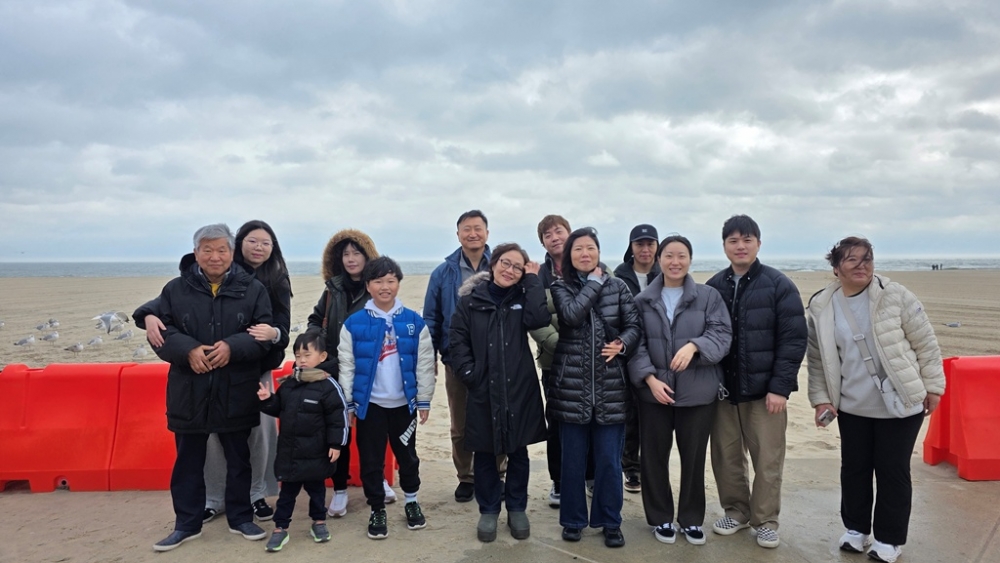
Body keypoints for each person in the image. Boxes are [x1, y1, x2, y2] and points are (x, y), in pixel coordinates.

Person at [139, 220, 291, 524]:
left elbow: (280, 330)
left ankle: (254, 496)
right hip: (202, 374)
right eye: (252, 241)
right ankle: (213, 499)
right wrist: (148, 315)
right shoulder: (189, 282)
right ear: (238, 245)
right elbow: (164, 308)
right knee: (209, 443)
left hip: (253, 369)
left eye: (266, 243)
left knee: (254, 439)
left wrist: (267, 336)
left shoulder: (271, 281)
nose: (258, 248)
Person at [806, 236, 944, 563]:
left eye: (866, 258)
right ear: (836, 267)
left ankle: (889, 540)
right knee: (854, 469)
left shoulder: (894, 295)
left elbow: (926, 343)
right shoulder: (822, 306)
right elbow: (817, 359)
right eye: (852, 259)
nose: (861, 265)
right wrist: (822, 399)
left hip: (900, 402)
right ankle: (856, 530)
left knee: (892, 471)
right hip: (852, 405)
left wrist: (934, 387)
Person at [705, 215, 808, 548]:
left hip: (766, 394)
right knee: (726, 456)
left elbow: (793, 340)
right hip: (723, 391)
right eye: (733, 240)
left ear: (758, 244)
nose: (740, 246)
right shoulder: (714, 286)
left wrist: (780, 387)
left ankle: (765, 520)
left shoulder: (779, 285)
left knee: (768, 458)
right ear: (724, 246)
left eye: (747, 239)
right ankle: (736, 511)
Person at [627, 235, 732, 546]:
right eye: (669, 255)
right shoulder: (642, 300)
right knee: (653, 458)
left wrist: (694, 346)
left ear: (690, 260)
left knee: (694, 459)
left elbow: (722, 334)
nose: (675, 262)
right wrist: (649, 379)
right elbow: (635, 344)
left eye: (682, 256)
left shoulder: (708, 296)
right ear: (659, 259)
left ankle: (691, 519)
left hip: (698, 394)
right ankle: (660, 517)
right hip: (654, 395)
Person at [449, 243, 550, 542]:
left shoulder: (523, 297)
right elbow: (457, 340)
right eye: (505, 263)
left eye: (518, 267)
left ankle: (517, 508)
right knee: (484, 451)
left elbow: (538, 319)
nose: (510, 270)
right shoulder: (470, 301)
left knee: (518, 450)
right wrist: (470, 374)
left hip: (519, 387)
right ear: (493, 264)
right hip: (483, 387)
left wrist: (533, 281)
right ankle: (489, 510)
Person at [549, 227, 642, 548]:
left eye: (590, 248)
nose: (585, 253)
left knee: (609, 462)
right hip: (571, 388)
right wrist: (594, 283)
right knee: (572, 462)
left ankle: (610, 521)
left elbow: (634, 326)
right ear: (569, 255)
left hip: (611, 387)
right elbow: (572, 315)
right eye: (578, 249)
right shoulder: (560, 286)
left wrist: (622, 343)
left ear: (599, 252)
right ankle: (573, 520)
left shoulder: (618, 286)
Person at [338, 257, 436, 540]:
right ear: (368, 285)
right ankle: (377, 508)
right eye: (378, 281)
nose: (385, 287)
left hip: (404, 405)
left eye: (391, 280)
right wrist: (349, 403)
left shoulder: (414, 321)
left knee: (408, 456)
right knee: (371, 460)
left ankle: (411, 501)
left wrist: (424, 399)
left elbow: (425, 363)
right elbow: (347, 366)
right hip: (370, 407)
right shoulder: (354, 323)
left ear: (398, 284)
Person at [304, 229, 396, 517]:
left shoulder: (377, 288)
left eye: (357, 252)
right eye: (345, 254)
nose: (351, 258)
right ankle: (340, 488)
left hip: (371, 371)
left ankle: (378, 480)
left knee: (373, 431)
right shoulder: (332, 289)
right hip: (334, 369)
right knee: (338, 430)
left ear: (368, 256)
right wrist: (317, 345)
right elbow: (315, 319)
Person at [423, 210, 504, 503]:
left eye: (478, 228)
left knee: (497, 419)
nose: (473, 234)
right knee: (461, 423)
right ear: (458, 235)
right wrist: (430, 356)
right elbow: (431, 318)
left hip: (496, 358)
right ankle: (466, 477)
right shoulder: (442, 273)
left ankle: (498, 474)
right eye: (466, 229)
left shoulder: (501, 266)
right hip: (455, 357)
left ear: (487, 233)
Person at [258, 332, 349, 552]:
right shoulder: (290, 384)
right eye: (298, 355)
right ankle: (280, 527)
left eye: (307, 355)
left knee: (317, 492)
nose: (302, 360)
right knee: (287, 494)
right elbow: (280, 409)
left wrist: (336, 444)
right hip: (290, 453)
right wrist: (268, 399)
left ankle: (319, 521)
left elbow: (339, 418)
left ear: (322, 356)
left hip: (316, 453)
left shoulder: (329, 386)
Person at [613, 223, 661, 494]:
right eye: (639, 244)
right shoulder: (619, 276)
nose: (645, 249)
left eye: (650, 244)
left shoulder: (665, 273)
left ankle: (650, 467)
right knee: (628, 413)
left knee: (653, 415)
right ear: (631, 247)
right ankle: (631, 467)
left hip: (658, 352)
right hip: (626, 352)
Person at [528, 214, 571, 507]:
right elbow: (534, 316)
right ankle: (558, 480)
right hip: (552, 361)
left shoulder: (589, 264)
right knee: (556, 422)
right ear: (542, 242)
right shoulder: (539, 275)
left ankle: (589, 475)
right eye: (547, 235)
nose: (554, 238)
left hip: (590, 360)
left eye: (559, 231)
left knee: (591, 420)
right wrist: (560, 344)